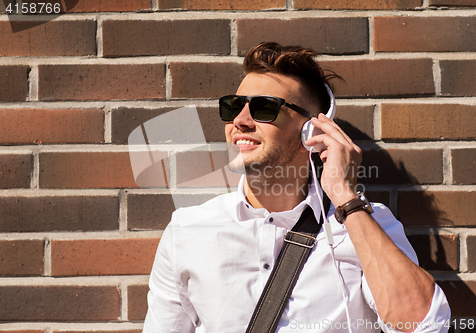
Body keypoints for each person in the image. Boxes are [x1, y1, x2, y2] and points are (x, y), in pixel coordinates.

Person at [143, 42, 450, 333]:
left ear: (311, 131)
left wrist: (344, 196)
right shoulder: (188, 229)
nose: (240, 120)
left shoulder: (365, 222)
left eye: (264, 108)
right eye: (234, 106)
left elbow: (424, 325)